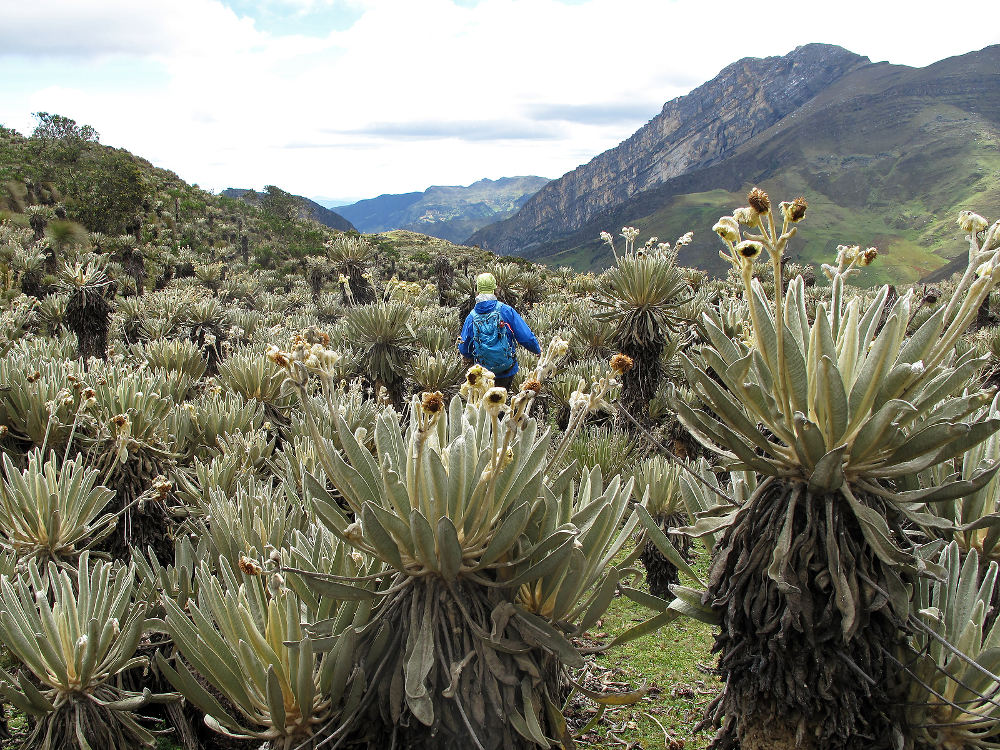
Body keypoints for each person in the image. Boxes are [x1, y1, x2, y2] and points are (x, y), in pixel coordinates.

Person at [458, 272, 540, 390]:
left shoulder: (471, 317)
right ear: (494, 289)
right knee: (501, 401)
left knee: (485, 404)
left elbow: (464, 348)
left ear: (477, 291)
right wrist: (537, 349)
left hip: (483, 373)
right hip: (506, 370)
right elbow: (525, 337)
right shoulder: (506, 310)